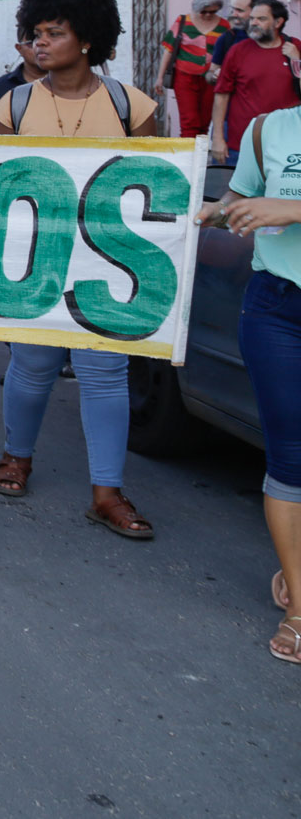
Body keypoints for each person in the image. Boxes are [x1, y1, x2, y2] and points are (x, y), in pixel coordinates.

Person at [0, 0, 157, 540]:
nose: (39, 42)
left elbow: (155, 189)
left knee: (105, 372)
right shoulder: (13, 105)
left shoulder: (131, 105)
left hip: (109, 260)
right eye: (35, 32)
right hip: (34, 258)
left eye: (53, 32)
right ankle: (16, 456)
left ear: (87, 39)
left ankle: (107, 492)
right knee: (32, 364)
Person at [198, 103, 301, 662]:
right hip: (276, 306)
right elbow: (241, 203)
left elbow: (279, 207)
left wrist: (291, 207)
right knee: (289, 455)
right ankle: (299, 605)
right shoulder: (268, 129)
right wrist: (214, 213)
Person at [212, 0, 301, 166]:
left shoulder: (295, 47)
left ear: (278, 22)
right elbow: (221, 95)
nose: (253, 23)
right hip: (243, 144)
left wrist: (296, 60)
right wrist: (217, 137)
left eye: (261, 19)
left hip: (286, 145)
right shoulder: (238, 51)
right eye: (252, 18)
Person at [163, 0, 231, 140]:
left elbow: (229, 53)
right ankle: (188, 153)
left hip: (211, 80)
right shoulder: (183, 21)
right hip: (184, 78)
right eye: (203, 11)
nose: (208, 15)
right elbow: (169, 50)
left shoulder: (224, 26)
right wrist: (160, 77)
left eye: (212, 12)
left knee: (204, 122)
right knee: (189, 122)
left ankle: (199, 153)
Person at [206, 0, 272, 83]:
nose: (234, 14)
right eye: (233, 9)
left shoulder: (279, 41)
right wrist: (215, 76)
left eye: (240, 11)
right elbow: (210, 73)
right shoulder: (227, 39)